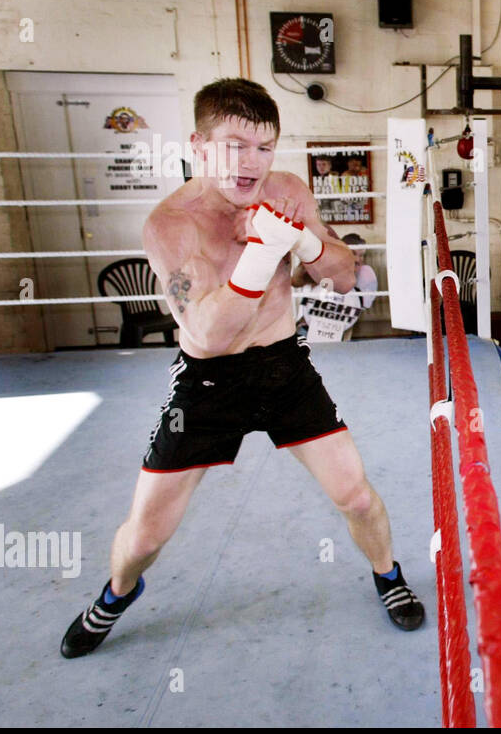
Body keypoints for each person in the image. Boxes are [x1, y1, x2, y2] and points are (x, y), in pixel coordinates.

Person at [60, 78, 423, 658]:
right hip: (208, 382)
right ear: (198, 145)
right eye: (233, 145)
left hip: (284, 367)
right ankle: (117, 593)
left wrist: (299, 240)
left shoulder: (286, 191)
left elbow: (345, 275)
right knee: (146, 533)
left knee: (355, 495)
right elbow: (207, 333)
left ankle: (387, 574)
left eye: (262, 147)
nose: (249, 163)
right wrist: (260, 253)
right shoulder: (170, 225)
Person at [293, 230, 379, 341]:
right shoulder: (325, 265)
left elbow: (362, 304)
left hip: (340, 321)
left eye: (361, 255)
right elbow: (296, 282)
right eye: (353, 253)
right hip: (312, 319)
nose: (358, 259)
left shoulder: (364, 272)